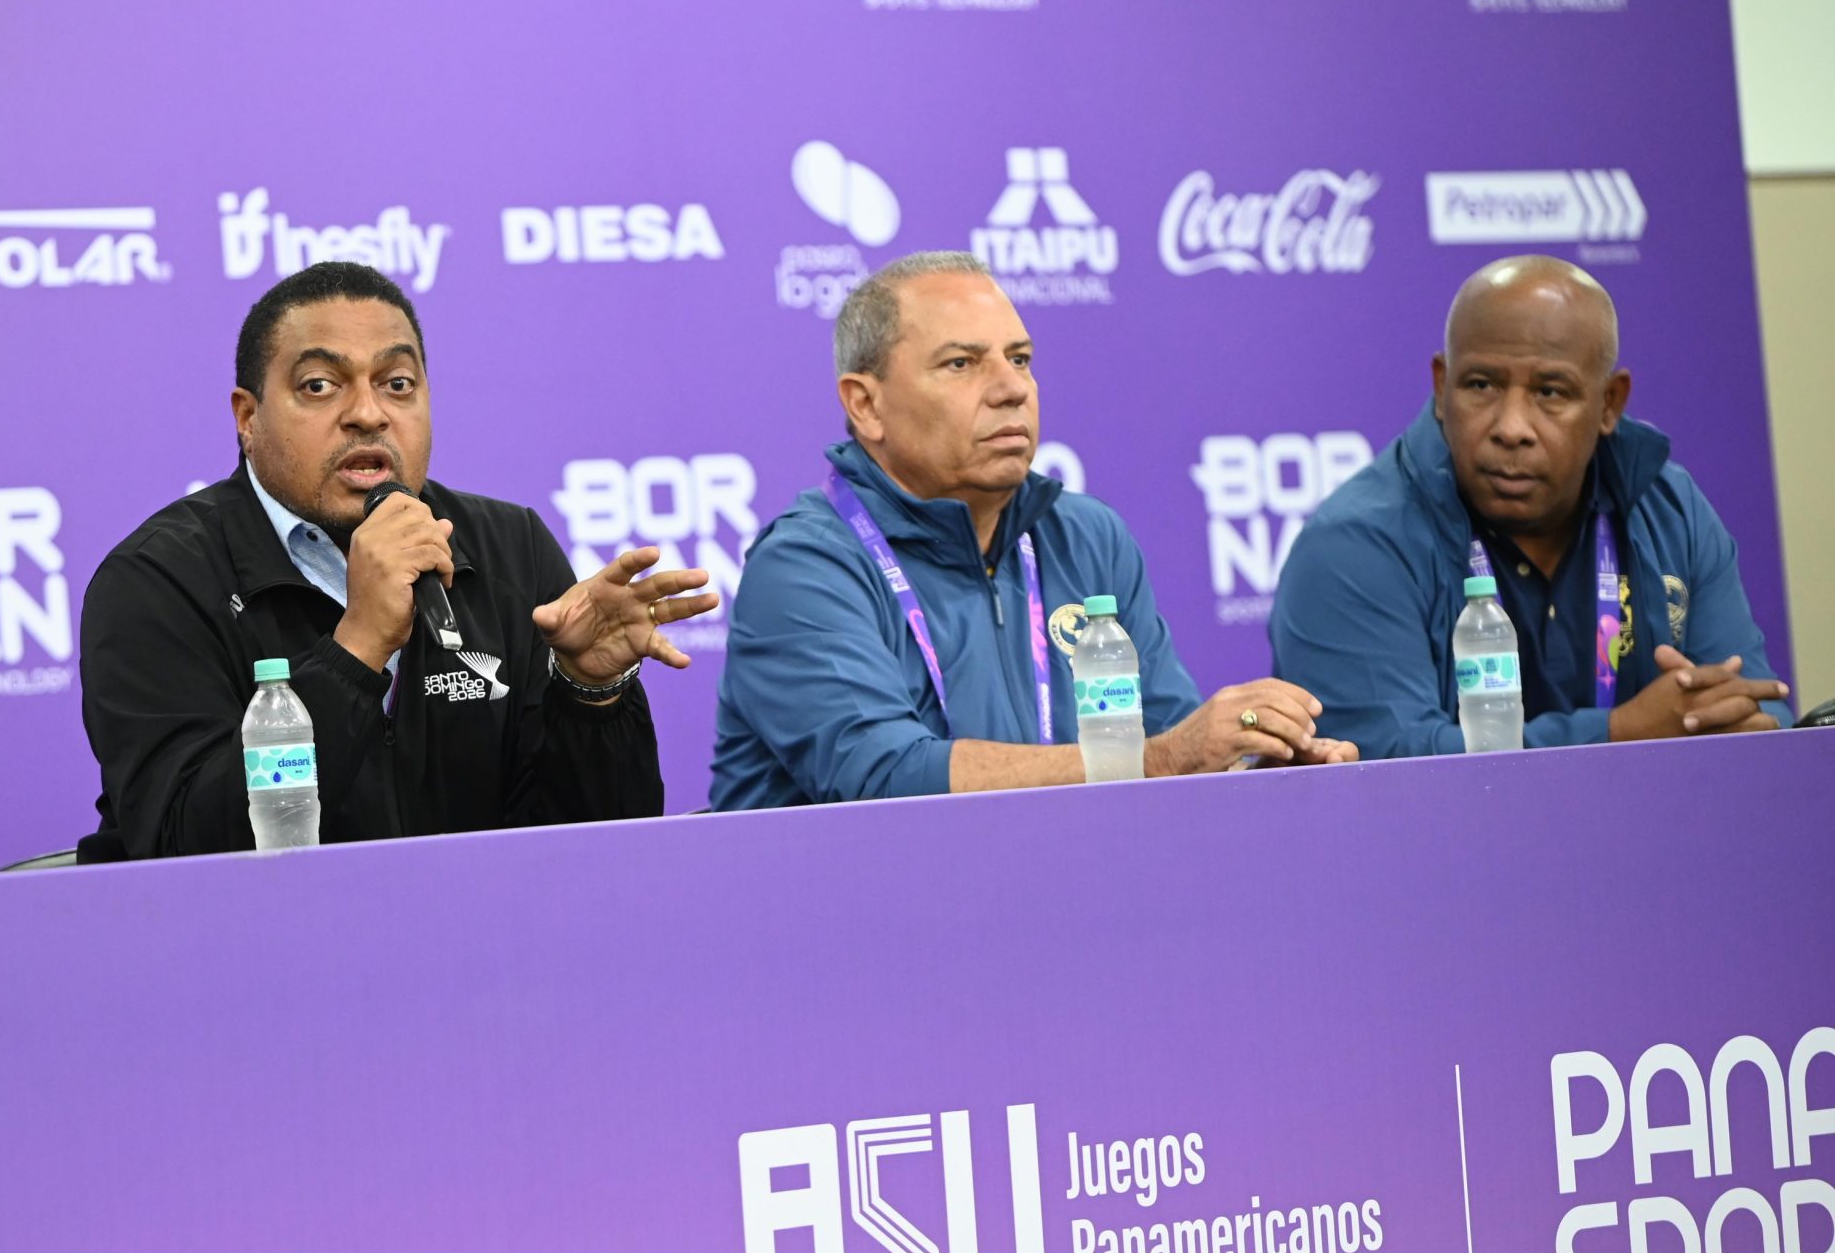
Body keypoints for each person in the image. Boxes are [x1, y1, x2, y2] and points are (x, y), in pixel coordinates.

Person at [77, 261, 716, 858]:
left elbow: (600, 855)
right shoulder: (156, 582)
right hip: (271, 941)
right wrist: (356, 649)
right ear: (248, 418)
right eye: (320, 386)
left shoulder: (510, 548)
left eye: (397, 384)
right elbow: (181, 849)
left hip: (478, 936)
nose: (368, 414)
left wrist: (590, 696)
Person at [712, 251, 1354, 808]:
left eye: (1019, 359)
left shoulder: (1086, 537)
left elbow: (1169, 745)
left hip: (1062, 894)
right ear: (866, 404)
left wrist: (1252, 770)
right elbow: (884, 777)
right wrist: (1163, 759)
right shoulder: (805, 565)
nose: (1010, 388)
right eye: (961, 364)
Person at [1272, 255, 1792, 755]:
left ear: (1609, 403)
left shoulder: (1670, 509)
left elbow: (1755, 712)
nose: (1512, 428)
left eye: (1550, 392)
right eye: (1481, 385)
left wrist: (1723, 722)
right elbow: (1382, 762)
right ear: (1442, 385)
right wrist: (1619, 733)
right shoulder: (1353, 544)